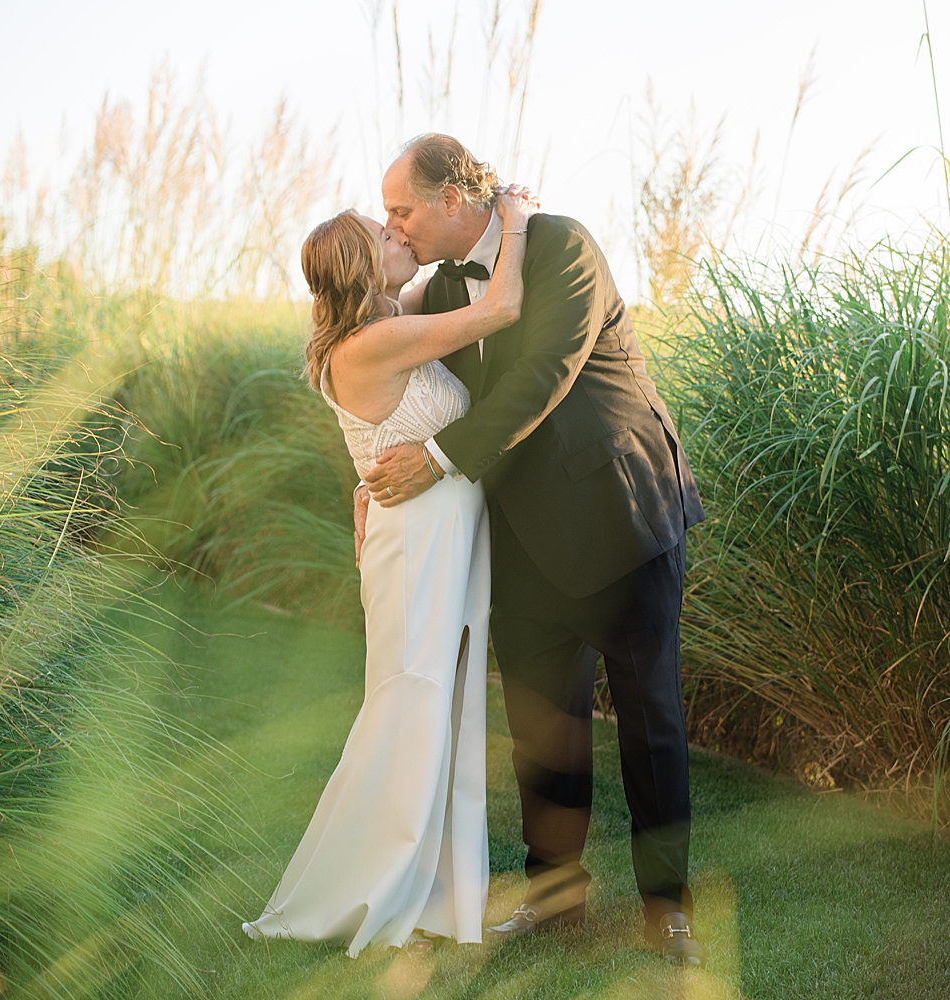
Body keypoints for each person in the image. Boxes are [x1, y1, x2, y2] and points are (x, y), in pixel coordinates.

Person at [361, 133, 706, 966]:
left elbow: (545, 372)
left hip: (617, 514)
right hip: (517, 537)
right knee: (543, 732)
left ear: (452, 197)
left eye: (401, 209)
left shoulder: (563, 245)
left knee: (651, 726)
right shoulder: (442, 285)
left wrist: (439, 459)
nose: (393, 225)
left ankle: (670, 909)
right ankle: (556, 899)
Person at [243, 186, 537, 957]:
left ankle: (435, 888)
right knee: (411, 704)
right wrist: (515, 218)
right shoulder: (373, 343)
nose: (399, 230)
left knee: (440, 706)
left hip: (435, 536)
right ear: (366, 265)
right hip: (416, 546)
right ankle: (374, 883)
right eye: (385, 230)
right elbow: (499, 310)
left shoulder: (383, 322)